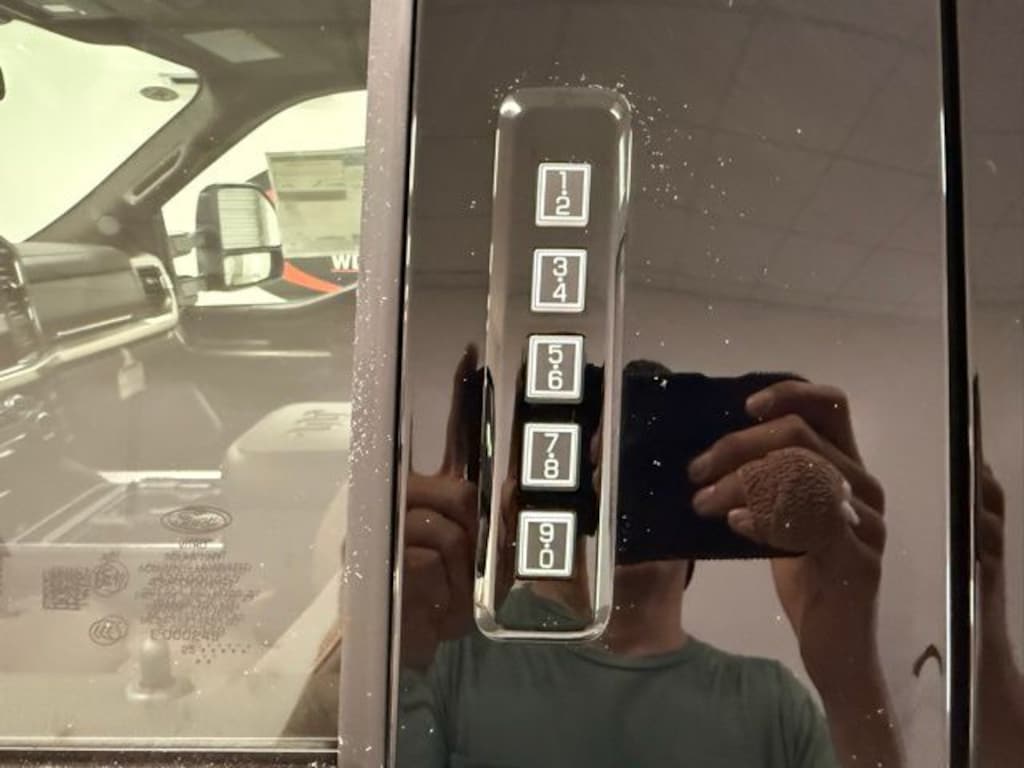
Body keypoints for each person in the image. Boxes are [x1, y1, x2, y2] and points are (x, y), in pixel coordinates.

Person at [287, 348, 903, 767]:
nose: (624, 489)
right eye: (602, 464)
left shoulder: (773, 703)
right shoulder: (454, 650)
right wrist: (377, 638)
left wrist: (850, 675)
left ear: (711, 517)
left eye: (659, 469)